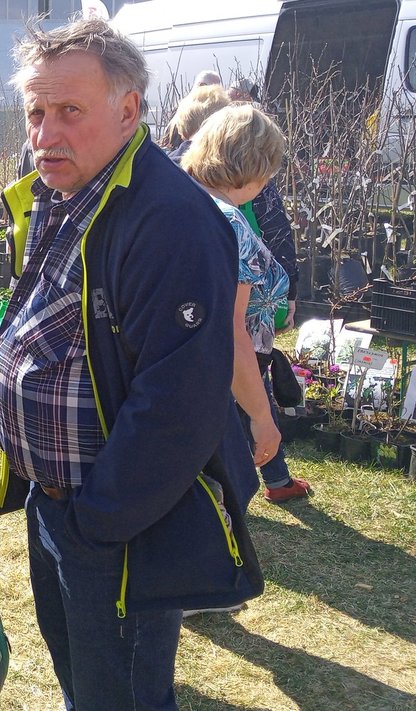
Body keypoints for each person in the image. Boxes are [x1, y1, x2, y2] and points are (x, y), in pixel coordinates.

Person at [0, 18, 260, 711]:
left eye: (69, 111)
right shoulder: (67, 188)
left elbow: (179, 403)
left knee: (124, 698)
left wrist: (96, 522)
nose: (45, 133)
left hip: (113, 524)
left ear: (128, 109)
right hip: (58, 503)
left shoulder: (170, 219)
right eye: (36, 112)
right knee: (88, 687)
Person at [182, 105, 312, 504]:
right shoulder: (230, 223)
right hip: (224, 379)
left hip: (184, 373)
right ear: (256, 165)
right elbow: (230, 329)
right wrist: (262, 417)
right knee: (224, 494)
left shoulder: (184, 201)